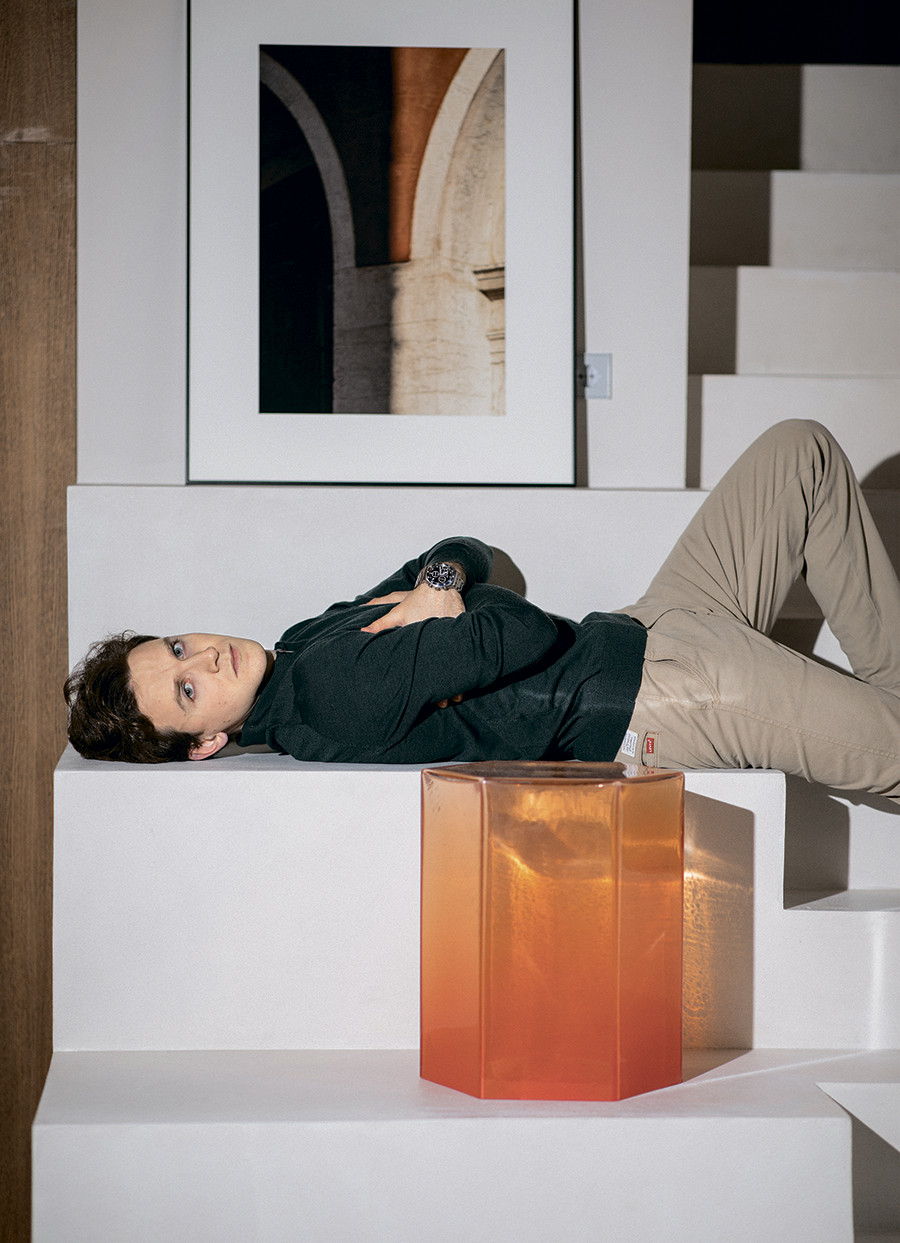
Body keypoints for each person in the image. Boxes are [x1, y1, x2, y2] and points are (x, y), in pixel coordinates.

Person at [65, 420, 900, 804]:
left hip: (646, 626)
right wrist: (446, 594)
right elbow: (519, 627)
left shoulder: (299, 644)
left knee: (801, 455)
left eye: (177, 645)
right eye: (185, 690)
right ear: (205, 743)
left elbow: (463, 550)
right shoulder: (329, 692)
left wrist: (441, 583)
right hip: (662, 697)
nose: (204, 658)